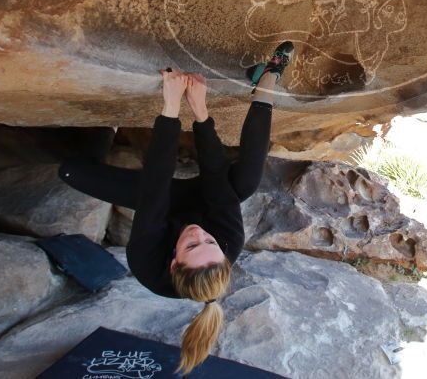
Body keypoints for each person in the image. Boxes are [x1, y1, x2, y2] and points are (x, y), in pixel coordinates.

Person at [57, 41, 294, 375]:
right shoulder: (228, 241)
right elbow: (215, 175)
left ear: (172, 263)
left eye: (192, 245)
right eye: (209, 243)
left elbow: (155, 185)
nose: (200, 235)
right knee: (245, 183)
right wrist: (200, 111)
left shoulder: (147, 262)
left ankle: (106, 132)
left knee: (70, 171)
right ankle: (268, 78)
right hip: (201, 198)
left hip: (157, 202)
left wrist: (170, 106)